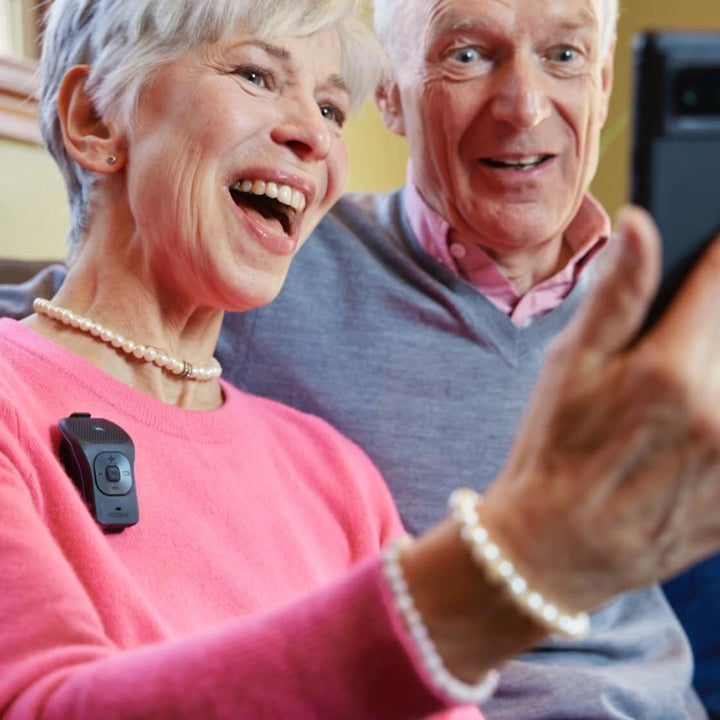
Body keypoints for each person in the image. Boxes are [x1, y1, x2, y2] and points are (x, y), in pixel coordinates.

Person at [2, 3, 720, 720]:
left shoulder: (336, 471)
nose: (314, 134)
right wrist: (521, 559)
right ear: (95, 118)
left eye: (331, 109)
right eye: (255, 75)